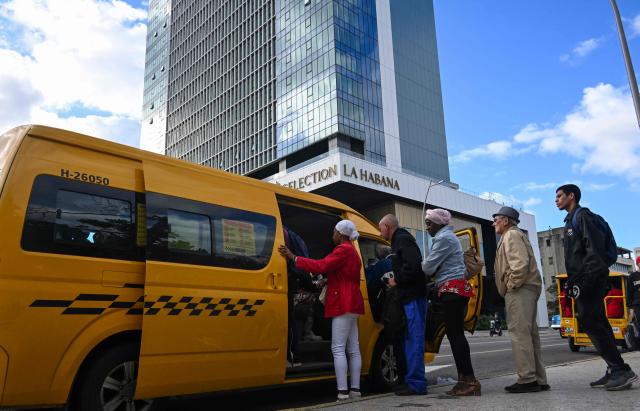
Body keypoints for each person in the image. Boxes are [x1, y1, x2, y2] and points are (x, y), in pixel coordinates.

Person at [556, 184, 637, 390]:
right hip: (583, 279)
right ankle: (614, 369)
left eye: (559, 196)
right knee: (598, 320)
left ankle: (621, 370)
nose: (556, 200)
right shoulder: (571, 220)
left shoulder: (583, 217)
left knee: (589, 319)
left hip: (591, 279)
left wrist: (584, 281)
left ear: (571, 196)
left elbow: (595, 251)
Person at [279, 220, 364, 401]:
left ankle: (342, 391)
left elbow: (321, 266)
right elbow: (343, 274)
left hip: (342, 301)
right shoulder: (353, 252)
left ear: (340, 235)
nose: (331, 235)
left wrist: (294, 258)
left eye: (333, 232)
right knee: (354, 349)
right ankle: (355, 389)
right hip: (353, 301)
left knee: (338, 348)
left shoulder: (342, 250)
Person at [422, 209, 480, 396]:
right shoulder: (447, 237)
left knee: (456, 336)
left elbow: (427, 267)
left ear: (439, 223)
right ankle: (464, 380)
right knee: (455, 336)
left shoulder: (444, 238)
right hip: (454, 289)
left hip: (451, 291)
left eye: (430, 222)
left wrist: (430, 266)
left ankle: (469, 381)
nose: (427, 226)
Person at [493, 206, 549, 393]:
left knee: (519, 334)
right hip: (528, 287)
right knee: (530, 335)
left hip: (521, 288)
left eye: (496, 220)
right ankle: (539, 378)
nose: (494, 224)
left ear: (506, 221)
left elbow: (519, 263)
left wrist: (512, 285)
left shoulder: (510, 235)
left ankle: (527, 379)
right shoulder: (516, 234)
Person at [378, 214, 427, 396]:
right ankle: (410, 381)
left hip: (413, 297)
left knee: (414, 341)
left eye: (380, 227)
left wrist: (396, 280)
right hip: (408, 297)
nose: (379, 231)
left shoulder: (403, 240)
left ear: (388, 227)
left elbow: (413, 266)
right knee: (409, 340)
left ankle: (416, 385)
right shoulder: (399, 240)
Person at [629, 257, 640, 326]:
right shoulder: (632, 276)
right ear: (638, 264)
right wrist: (631, 309)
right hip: (637, 304)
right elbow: (629, 293)